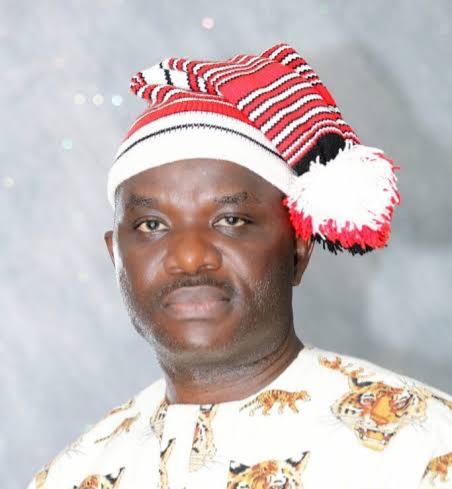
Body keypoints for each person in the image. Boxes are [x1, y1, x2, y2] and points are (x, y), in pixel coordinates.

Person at [27, 43, 451, 489]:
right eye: (152, 225)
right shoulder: (73, 475)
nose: (190, 256)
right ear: (116, 257)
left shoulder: (420, 449)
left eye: (230, 220)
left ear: (298, 248)